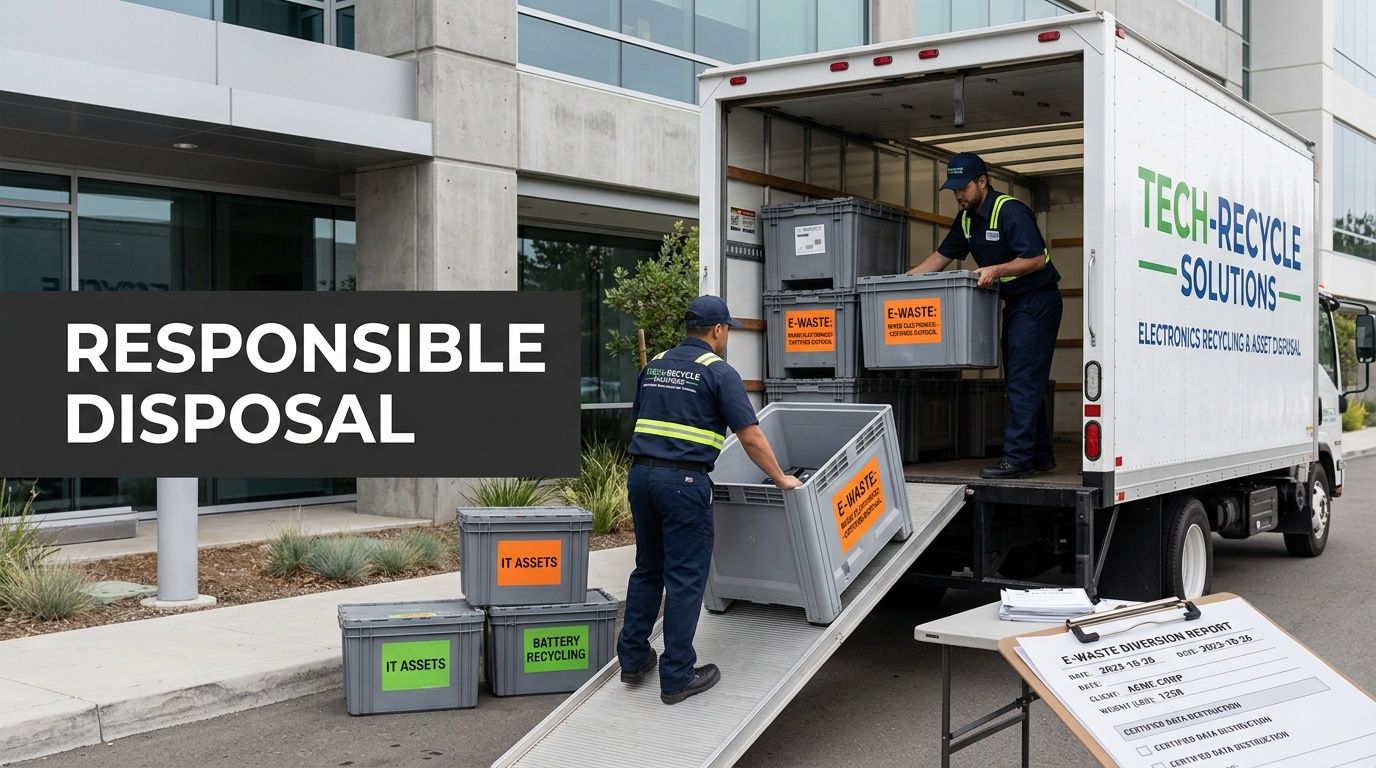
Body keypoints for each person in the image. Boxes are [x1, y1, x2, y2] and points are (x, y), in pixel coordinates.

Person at [617, 294, 803, 705]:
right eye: (728, 329)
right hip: (684, 483)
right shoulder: (718, 372)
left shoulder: (655, 366)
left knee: (648, 569)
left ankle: (632, 659)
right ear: (718, 330)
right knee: (685, 578)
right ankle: (678, 675)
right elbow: (750, 436)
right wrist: (781, 479)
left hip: (642, 478)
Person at [907, 152, 1061, 480]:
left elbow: (1036, 259)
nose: (958, 195)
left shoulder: (1010, 211)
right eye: (953, 190)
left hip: (1037, 302)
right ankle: (1040, 455)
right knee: (1024, 379)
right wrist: (901, 283)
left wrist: (996, 269)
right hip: (1017, 305)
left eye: (963, 187)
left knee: (1021, 380)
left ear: (982, 181)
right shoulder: (965, 219)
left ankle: (1017, 460)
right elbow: (940, 257)